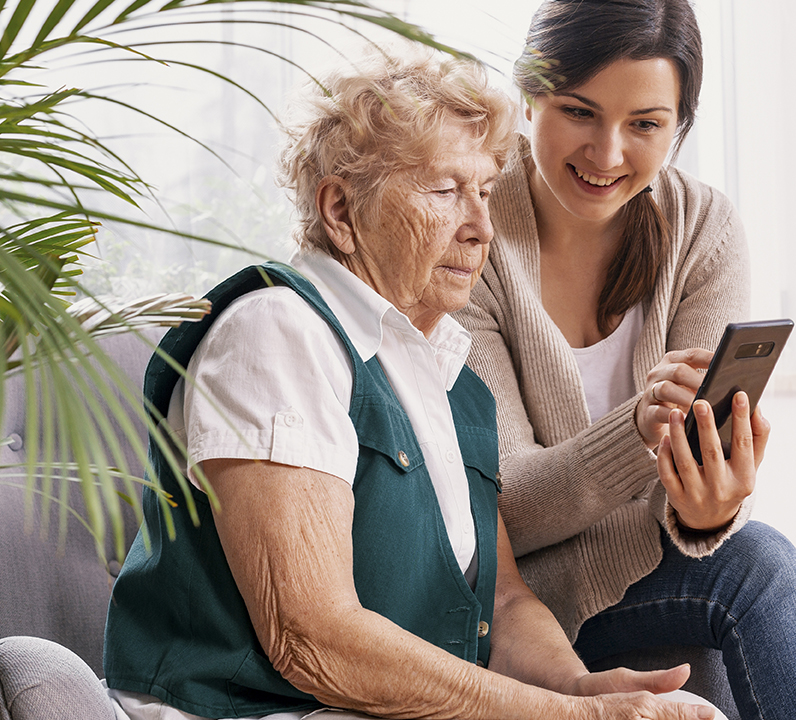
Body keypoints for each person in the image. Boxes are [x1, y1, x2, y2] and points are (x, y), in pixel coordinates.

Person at [100, 45, 724, 720]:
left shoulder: (451, 380)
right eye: (445, 191)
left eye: (484, 191)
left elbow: (504, 602)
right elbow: (312, 639)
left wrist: (576, 688)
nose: (482, 227)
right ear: (340, 211)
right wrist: (575, 719)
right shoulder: (278, 331)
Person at [453, 2, 796, 719]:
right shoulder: (470, 236)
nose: (606, 154)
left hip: (668, 571)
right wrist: (637, 432)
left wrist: (710, 506)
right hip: (540, 607)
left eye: (645, 125)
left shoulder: (703, 228)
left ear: (679, 129)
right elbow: (504, 504)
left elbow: (699, 512)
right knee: (762, 565)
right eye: (579, 112)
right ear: (529, 96)